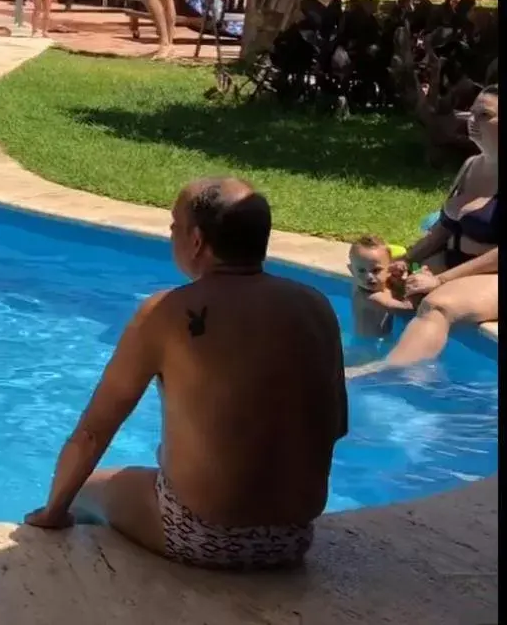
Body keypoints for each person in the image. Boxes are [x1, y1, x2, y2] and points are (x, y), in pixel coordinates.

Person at [24, 178, 346, 573]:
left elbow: (92, 433)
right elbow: (332, 426)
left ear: (196, 241)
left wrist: (53, 513)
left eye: (174, 226)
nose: (171, 235)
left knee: (89, 492)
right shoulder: (316, 307)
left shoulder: (164, 313)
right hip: (294, 538)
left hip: (201, 536)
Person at [357, 85, 498, 371]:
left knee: (438, 305)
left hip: (493, 271)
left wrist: (441, 281)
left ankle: (386, 373)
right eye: (471, 113)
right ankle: (364, 352)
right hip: (455, 260)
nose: (473, 121)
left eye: (485, 114)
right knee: (377, 280)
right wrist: (405, 259)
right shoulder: (471, 166)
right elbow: (444, 229)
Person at [346, 235, 415, 341]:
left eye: (376, 270)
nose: (368, 276)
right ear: (351, 270)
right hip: (366, 348)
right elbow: (406, 310)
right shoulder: (369, 297)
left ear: (389, 269)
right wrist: (417, 291)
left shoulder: (383, 285)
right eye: (361, 270)